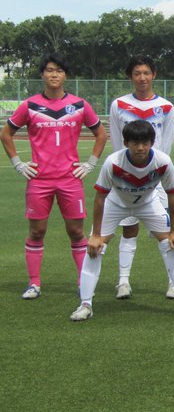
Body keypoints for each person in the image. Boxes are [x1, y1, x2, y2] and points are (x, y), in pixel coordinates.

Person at [1, 53, 107, 299]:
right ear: (42, 75)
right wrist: (18, 163)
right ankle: (34, 283)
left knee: (76, 232)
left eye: (58, 70)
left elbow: (101, 134)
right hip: (39, 181)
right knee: (37, 232)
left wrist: (90, 163)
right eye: (49, 70)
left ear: (65, 75)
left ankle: (83, 282)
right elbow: (6, 134)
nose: (54, 74)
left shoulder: (79, 105)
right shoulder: (29, 105)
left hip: (70, 180)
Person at [69, 120, 174, 321]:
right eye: (135, 143)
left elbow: (172, 196)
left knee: (172, 244)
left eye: (145, 142)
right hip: (115, 203)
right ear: (126, 143)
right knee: (95, 247)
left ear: (152, 142)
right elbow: (100, 198)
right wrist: (95, 235)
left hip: (148, 203)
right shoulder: (113, 162)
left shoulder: (163, 161)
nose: (140, 148)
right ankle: (85, 304)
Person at [108, 56, 174, 301]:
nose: (142, 78)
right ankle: (123, 282)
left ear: (154, 75)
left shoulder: (166, 107)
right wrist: (124, 171)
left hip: (155, 177)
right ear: (130, 77)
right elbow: (117, 142)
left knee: (165, 230)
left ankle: (173, 282)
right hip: (126, 178)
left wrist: (156, 171)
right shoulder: (118, 104)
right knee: (129, 228)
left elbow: (166, 143)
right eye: (137, 73)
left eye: (146, 72)